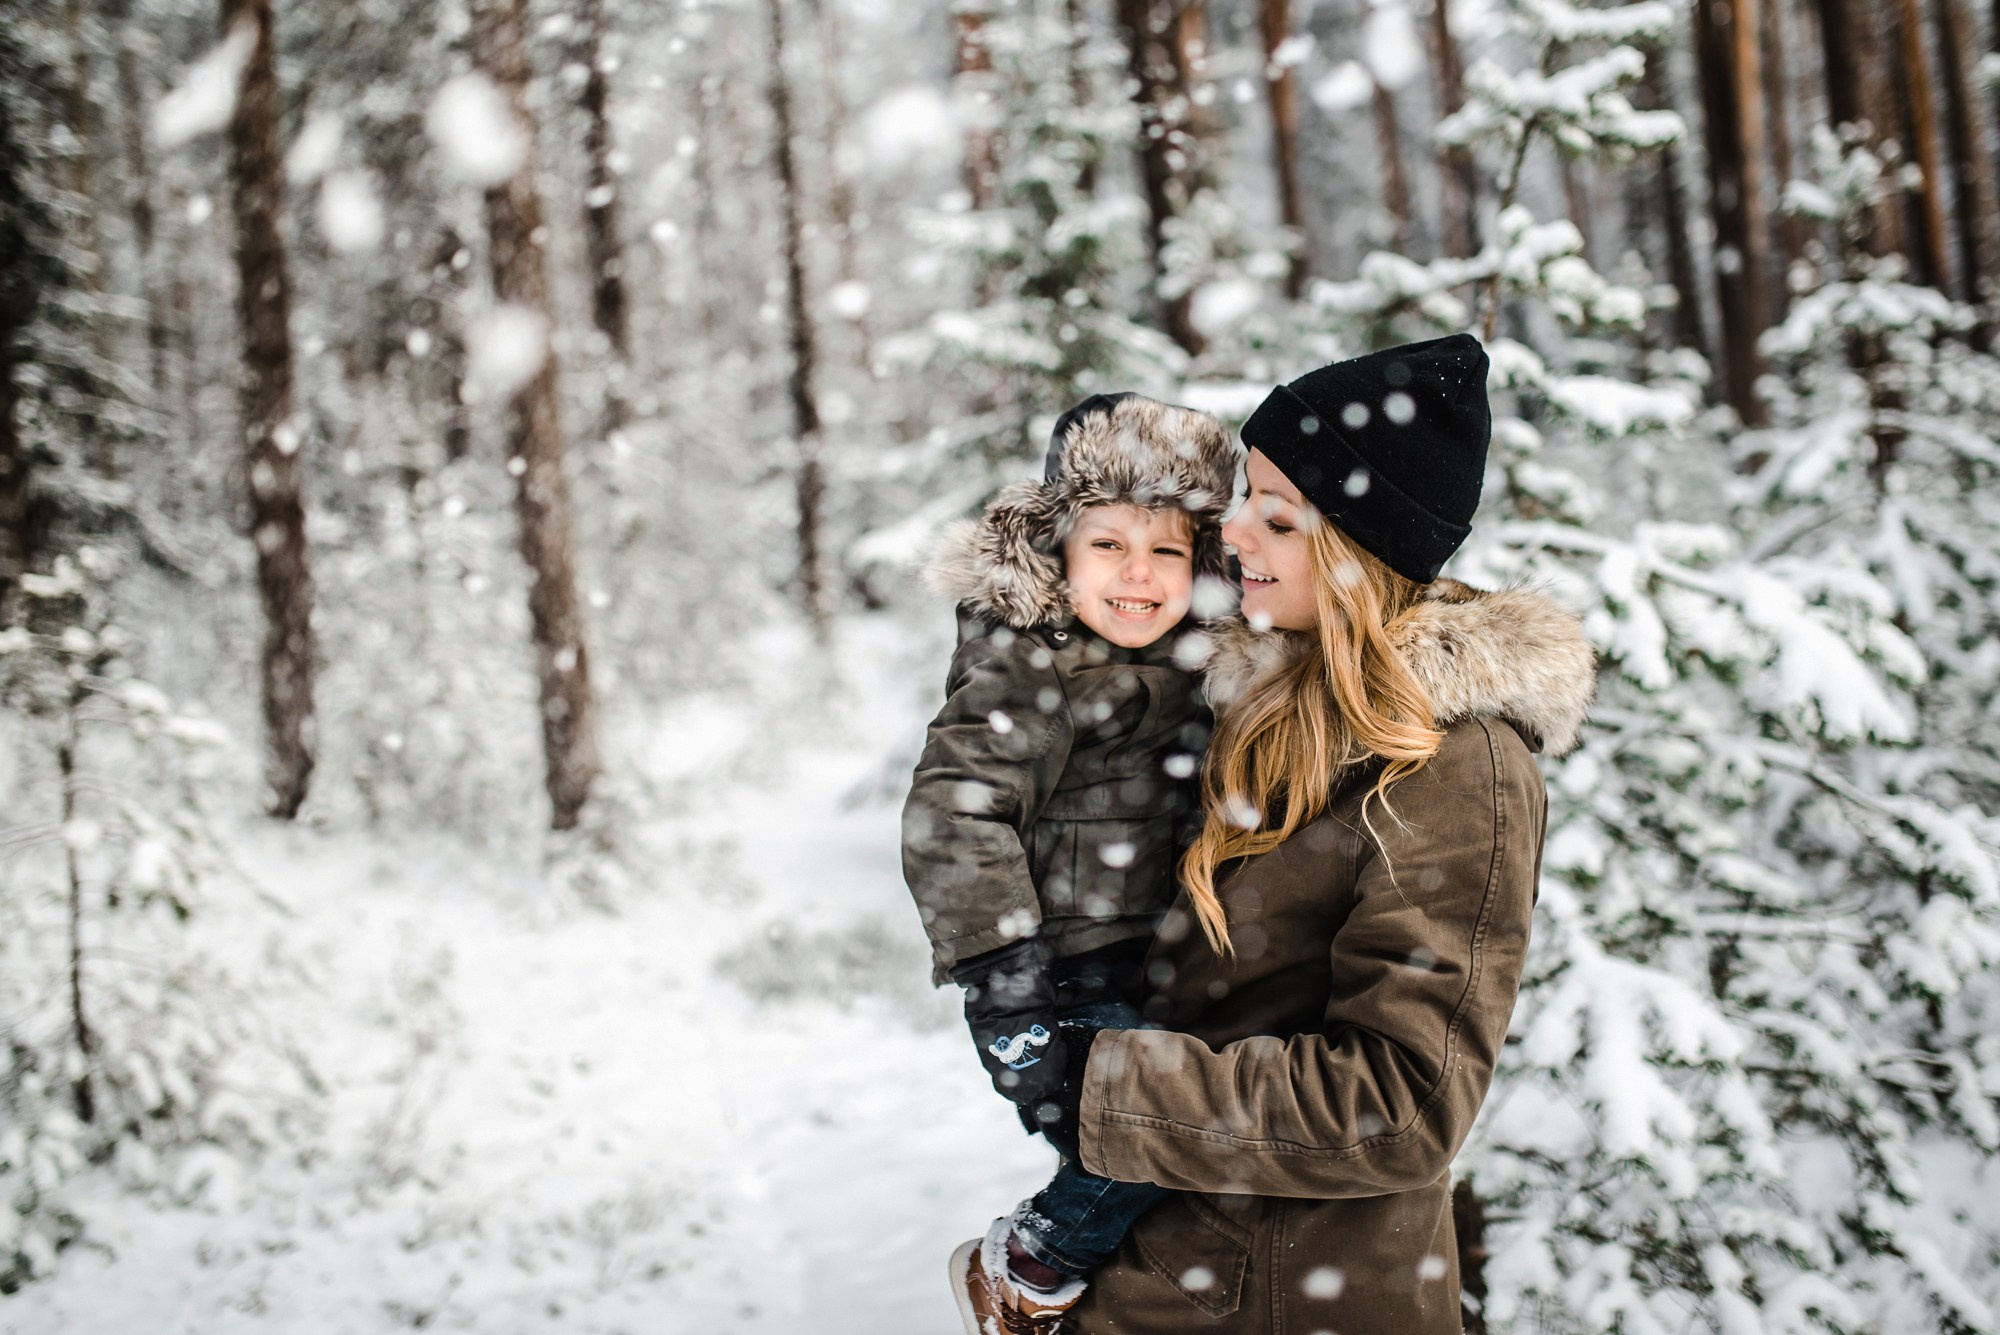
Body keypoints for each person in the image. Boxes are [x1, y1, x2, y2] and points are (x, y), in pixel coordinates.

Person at [1035, 333, 1598, 1333]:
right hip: (1170, 1277)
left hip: (1293, 1301)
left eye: (1278, 516)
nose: (1232, 533)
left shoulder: (1456, 767)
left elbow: (1400, 1105)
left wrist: (1103, 1084)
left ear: (1354, 555)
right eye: (1245, 498)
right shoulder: (1264, 705)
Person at [901, 393, 1240, 1333]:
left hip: (1165, 959)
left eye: (1166, 550)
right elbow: (956, 808)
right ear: (1057, 548)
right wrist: (1003, 977)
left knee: (1215, 1134)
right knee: (1157, 1129)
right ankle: (1027, 1263)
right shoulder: (1030, 659)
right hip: (1060, 970)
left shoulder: (1205, 657)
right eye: (1109, 545)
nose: (1138, 574)